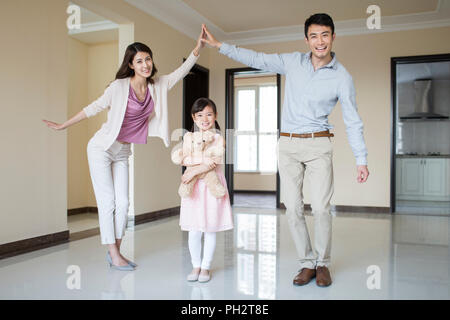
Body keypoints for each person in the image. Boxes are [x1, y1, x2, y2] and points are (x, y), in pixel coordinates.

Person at [200, 14, 369, 287]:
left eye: (325, 35)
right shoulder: (293, 61)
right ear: (307, 39)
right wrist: (220, 46)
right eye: (314, 36)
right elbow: (258, 58)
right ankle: (307, 263)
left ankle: (323, 263)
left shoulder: (342, 77)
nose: (319, 41)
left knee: (323, 208)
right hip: (288, 144)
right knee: (292, 208)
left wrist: (361, 159)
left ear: (333, 37)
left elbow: (353, 120)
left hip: (318, 144)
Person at [43, 26, 207, 271]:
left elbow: (181, 72)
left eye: (148, 59)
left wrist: (198, 49)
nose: (145, 64)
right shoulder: (118, 87)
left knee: (124, 203)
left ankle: (115, 252)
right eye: (139, 61)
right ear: (130, 65)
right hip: (101, 147)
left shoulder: (157, 86)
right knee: (108, 201)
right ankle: (114, 253)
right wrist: (63, 125)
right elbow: (93, 108)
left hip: (123, 151)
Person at [171, 98, 233, 282]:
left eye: (209, 114)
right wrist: (197, 163)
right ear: (194, 118)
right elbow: (184, 159)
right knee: (194, 229)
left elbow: (213, 162)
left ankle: (205, 267)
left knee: (210, 228)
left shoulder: (219, 138)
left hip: (211, 186)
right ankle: (195, 266)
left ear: (215, 116)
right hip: (194, 188)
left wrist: (193, 170)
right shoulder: (188, 138)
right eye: (200, 115)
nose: (204, 119)